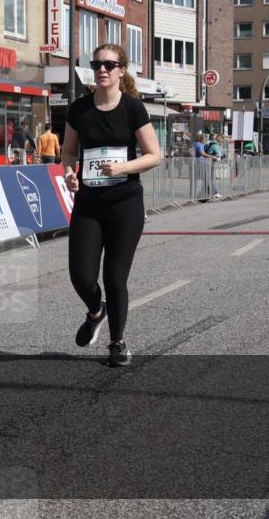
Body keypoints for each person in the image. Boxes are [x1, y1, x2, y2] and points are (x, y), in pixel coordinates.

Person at [61, 44, 162, 366]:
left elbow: (154, 155)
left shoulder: (133, 108)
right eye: (96, 65)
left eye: (109, 65)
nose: (102, 70)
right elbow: (69, 152)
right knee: (81, 276)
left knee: (115, 278)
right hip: (89, 203)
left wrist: (122, 168)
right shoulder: (79, 109)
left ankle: (117, 342)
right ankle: (96, 311)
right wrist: (69, 174)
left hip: (125, 204)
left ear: (121, 70)